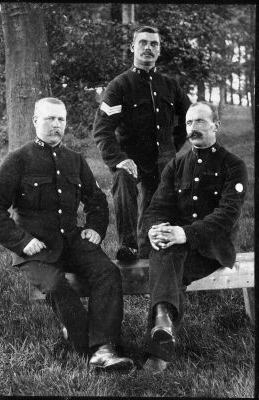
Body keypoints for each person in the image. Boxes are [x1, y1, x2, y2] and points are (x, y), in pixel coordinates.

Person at [0, 97, 134, 371]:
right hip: (35, 249)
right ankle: (86, 342)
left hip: (72, 241)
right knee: (55, 286)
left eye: (61, 119)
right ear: (35, 121)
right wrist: (21, 241)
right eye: (49, 118)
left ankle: (103, 348)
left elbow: (97, 200)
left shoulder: (74, 160)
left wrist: (96, 229)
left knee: (107, 272)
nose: (56, 124)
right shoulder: (18, 159)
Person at [141, 101, 248, 374]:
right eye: (189, 123)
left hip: (211, 250)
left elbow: (227, 215)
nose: (193, 128)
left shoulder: (233, 166)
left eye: (200, 121)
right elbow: (156, 208)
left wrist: (184, 233)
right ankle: (162, 328)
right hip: (177, 246)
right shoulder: (176, 165)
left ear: (216, 125)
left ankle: (161, 337)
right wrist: (155, 230)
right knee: (165, 252)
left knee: (166, 264)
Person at [93, 25, 191, 261]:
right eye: (143, 43)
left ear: (159, 51)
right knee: (123, 177)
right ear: (132, 48)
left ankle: (153, 245)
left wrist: (172, 147)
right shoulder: (119, 86)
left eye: (154, 44)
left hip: (163, 162)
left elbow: (189, 119)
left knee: (166, 203)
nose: (148, 48)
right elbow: (102, 129)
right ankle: (128, 246)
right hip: (132, 160)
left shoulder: (169, 85)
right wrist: (119, 159)